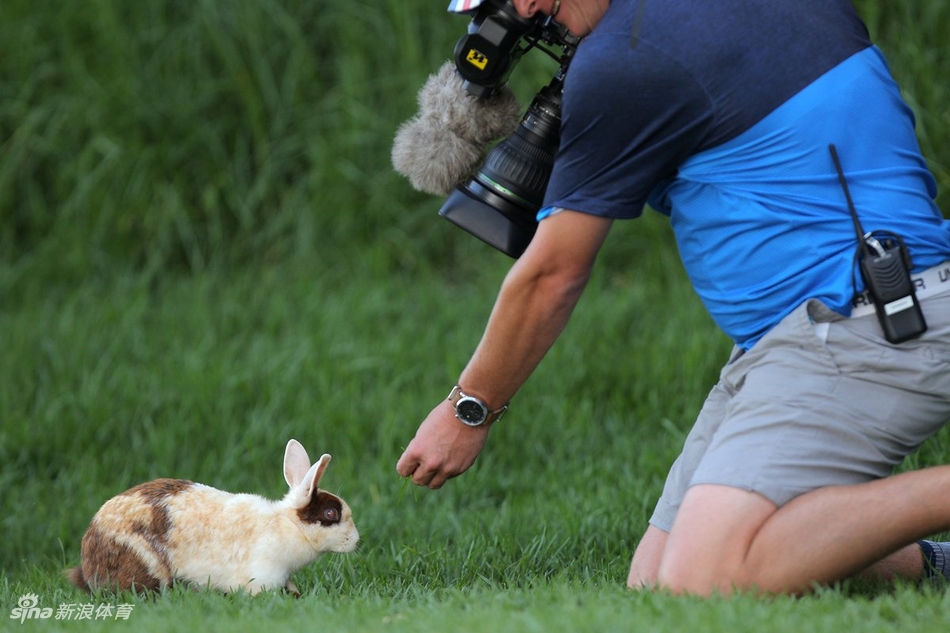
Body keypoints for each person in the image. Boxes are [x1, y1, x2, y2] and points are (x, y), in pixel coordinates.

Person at [396, 0, 950, 596]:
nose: (527, 18)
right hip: (798, 333)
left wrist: (470, 409)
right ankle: (938, 566)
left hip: (864, 322)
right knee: (657, 583)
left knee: (700, 576)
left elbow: (552, 275)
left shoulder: (627, 56)